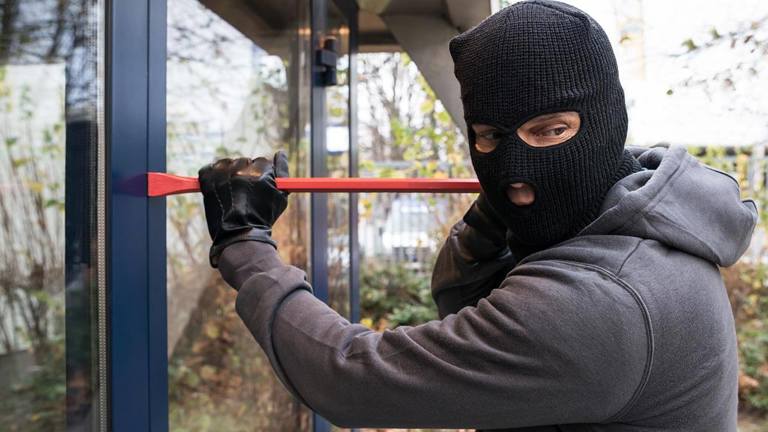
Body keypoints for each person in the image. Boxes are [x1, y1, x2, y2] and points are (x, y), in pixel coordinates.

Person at [197, 1, 758, 430]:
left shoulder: (599, 300)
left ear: (605, 125)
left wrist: (245, 243)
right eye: (490, 136)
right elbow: (469, 305)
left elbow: (350, 376)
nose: (514, 167)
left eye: (551, 129)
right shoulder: (646, 226)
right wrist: (499, 217)